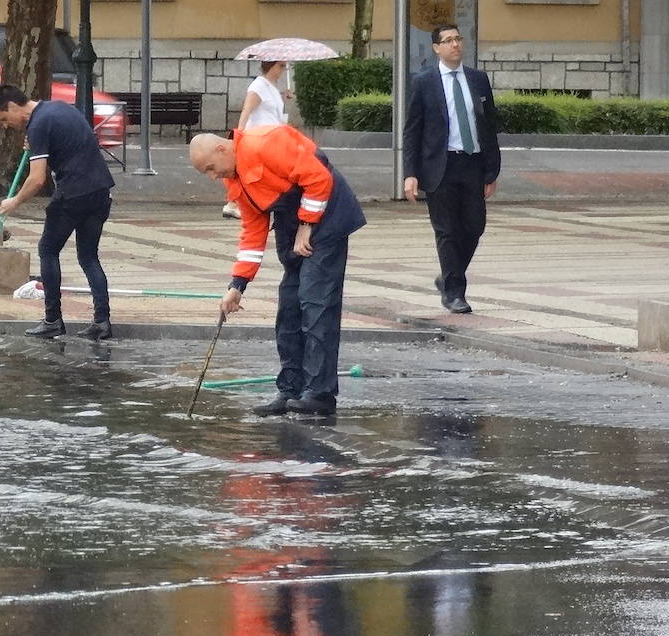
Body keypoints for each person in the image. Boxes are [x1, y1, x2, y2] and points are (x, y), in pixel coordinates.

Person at [189, 126, 365, 417]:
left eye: (210, 168)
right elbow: (253, 230)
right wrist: (238, 284)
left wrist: (307, 224)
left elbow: (318, 177)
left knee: (316, 302)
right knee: (290, 307)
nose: (213, 176)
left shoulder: (266, 144)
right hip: (293, 222)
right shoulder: (235, 178)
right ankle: (290, 389)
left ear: (222, 149)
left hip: (328, 215)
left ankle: (320, 393)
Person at [0, 83, 115, 340]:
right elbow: (67, 144)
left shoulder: (38, 125)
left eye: (4, 119)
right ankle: (102, 321)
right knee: (89, 257)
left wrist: (14, 202)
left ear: (13, 106)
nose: (5, 125)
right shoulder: (58, 108)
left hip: (72, 194)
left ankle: (52, 319)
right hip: (101, 190)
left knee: (48, 250)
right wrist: (37, 145)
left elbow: (37, 180)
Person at [402, 22, 501, 315]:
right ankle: (455, 292)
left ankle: (449, 275)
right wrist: (411, 173)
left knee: (474, 226)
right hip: (440, 165)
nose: (455, 45)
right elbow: (412, 131)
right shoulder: (424, 82)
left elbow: (489, 125)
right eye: (447, 41)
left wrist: (492, 170)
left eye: (458, 39)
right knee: (446, 230)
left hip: (472, 162)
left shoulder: (478, 80)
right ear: (436, 48)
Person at [222, 60, 292, 219]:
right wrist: (239, 135)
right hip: (259, 139)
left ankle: (238, 203)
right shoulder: (258, 85)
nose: (283, 70)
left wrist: (283, 97)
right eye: (280, 66)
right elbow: (247, 110)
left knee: (256, 173)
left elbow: (271, 110)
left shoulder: (271, 87)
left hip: (270, 138)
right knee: (253, 173)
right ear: (270, 66)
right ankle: (236, 203)